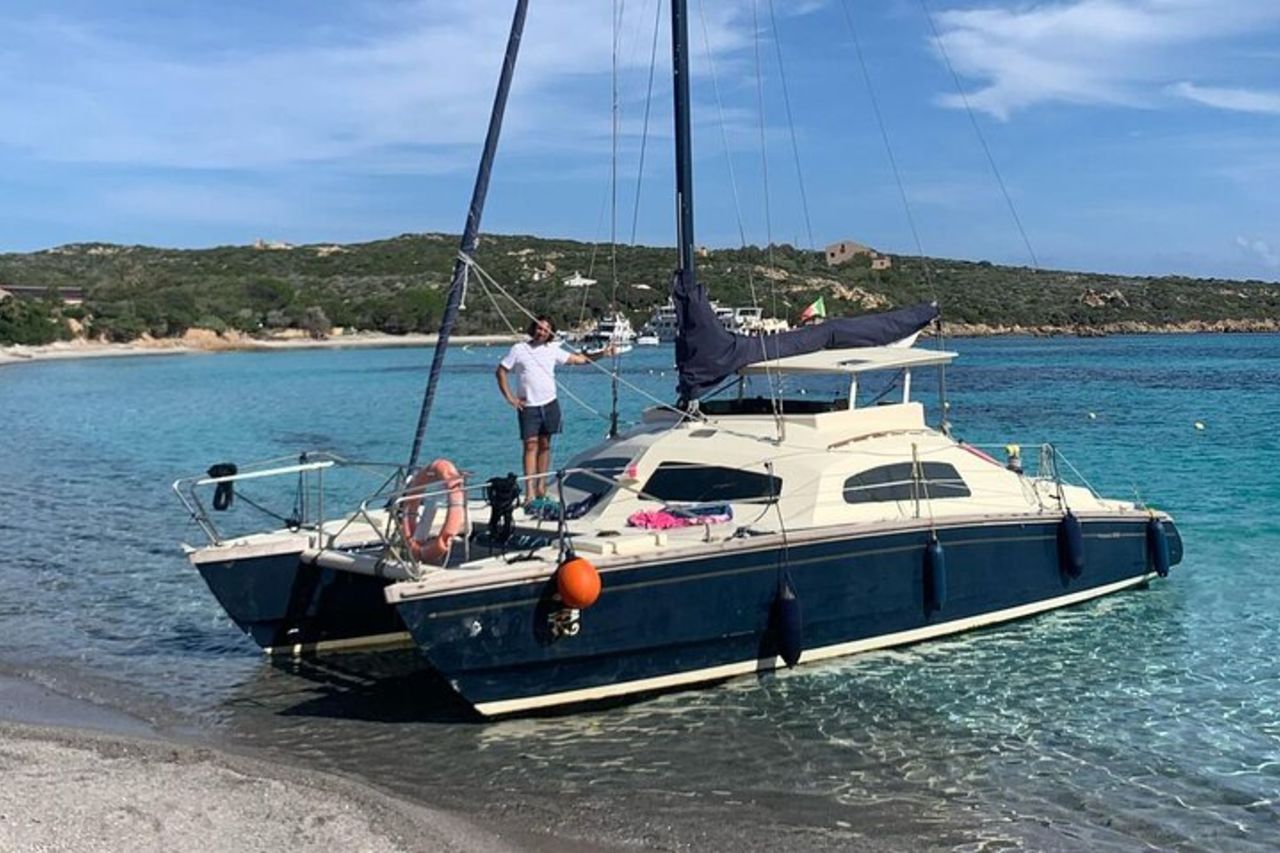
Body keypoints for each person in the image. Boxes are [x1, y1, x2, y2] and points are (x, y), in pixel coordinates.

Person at [495, 316, 612, 506]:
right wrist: (510, 398)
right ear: (534, 328)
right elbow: (501, 371)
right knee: (530, 446)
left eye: (546, 329)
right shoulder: (519, 349)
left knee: (545, 445)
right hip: (528, 406)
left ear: (550, 332)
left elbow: (580, 359)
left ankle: (541, 488)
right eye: (539, 328)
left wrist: (603, 354)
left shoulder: (553, 350)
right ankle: (530, 492)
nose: (542, 332)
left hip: (550, 404)